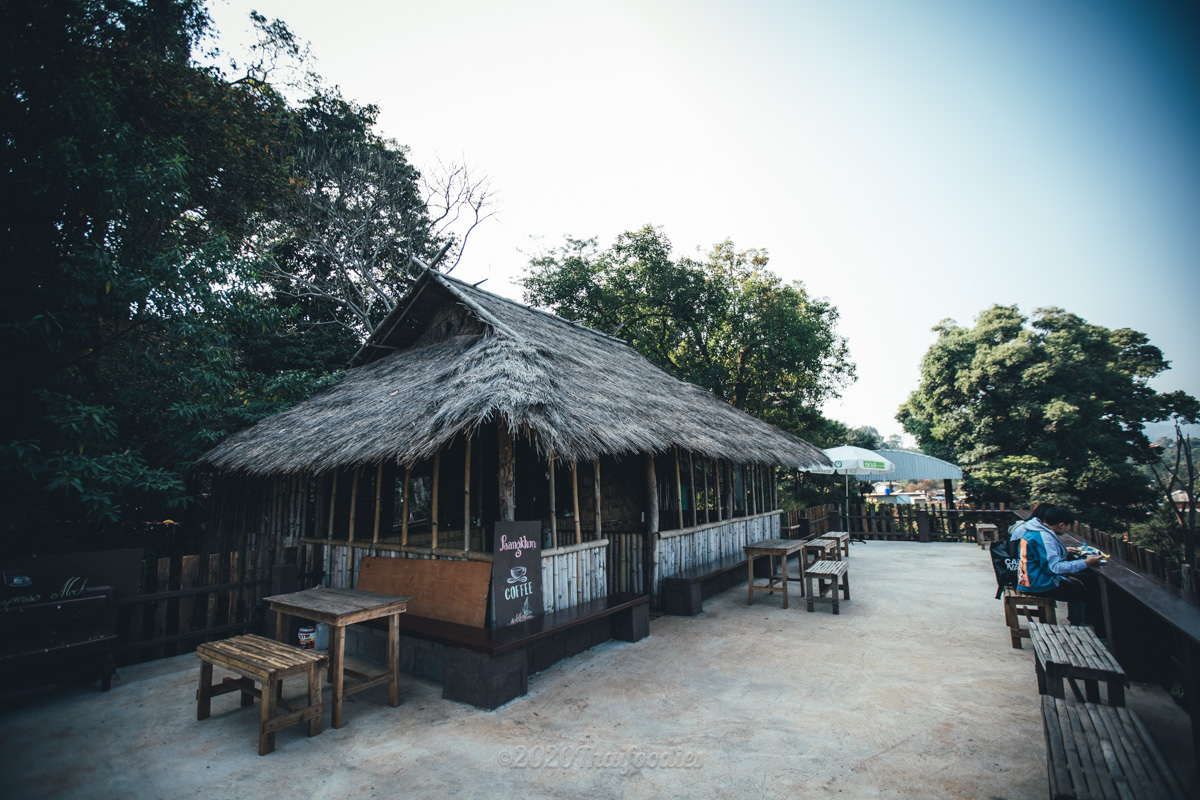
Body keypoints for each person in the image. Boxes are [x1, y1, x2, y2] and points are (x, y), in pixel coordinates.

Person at [1010, 504, 1103, 631]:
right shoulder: (1044, 537)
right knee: (1083, 591)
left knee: (1087, 579)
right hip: (1038, 584)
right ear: (1061, 525)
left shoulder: (1034, 531)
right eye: (1069, 526)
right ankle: (1085, 628)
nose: (1069, 529)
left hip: (1029, 579)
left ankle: (1079, 623)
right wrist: (1085, 563)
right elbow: (1054, 568)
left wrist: (1063, 552)